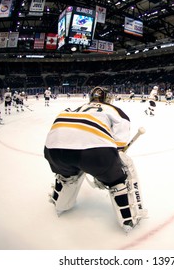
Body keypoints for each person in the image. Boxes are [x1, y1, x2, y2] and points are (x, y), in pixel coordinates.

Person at [44, 86, 147, 232]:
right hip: (94, 153)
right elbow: (119, 145)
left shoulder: (79, 107)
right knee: (122, 172)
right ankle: (129, 219)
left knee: (67, 175)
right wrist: (106, 171)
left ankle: (60, 204)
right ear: (107, 99)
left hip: (54, 148)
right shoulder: (114, 110)